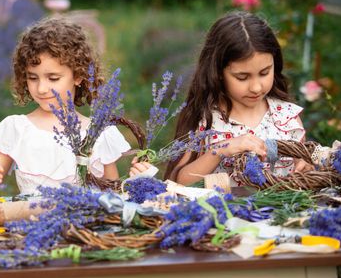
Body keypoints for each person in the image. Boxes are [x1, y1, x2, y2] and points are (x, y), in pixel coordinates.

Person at [130, 11, 313, 186]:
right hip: (222, 215)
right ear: (217, 72)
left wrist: (306, 169)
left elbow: (303, 165)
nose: (256, 87)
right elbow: (177, 181)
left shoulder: (287, 117)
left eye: (264, 73)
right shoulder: (207, 121)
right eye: (242, 77)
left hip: (279, 216)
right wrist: (220, 150)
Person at [0, 17, 130, 195]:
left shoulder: (100, 134)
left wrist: (139, 177)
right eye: (33, 78)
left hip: (84, 223)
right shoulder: (16, 129)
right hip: (28, 221)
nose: (41, 88)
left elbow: (114, 198)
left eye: (53, 78)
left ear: (78, 76)